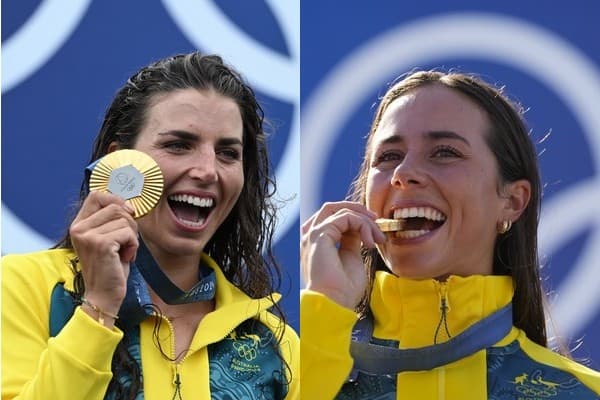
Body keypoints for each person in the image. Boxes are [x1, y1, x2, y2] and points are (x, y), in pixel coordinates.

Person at [2, 52, 298, 399]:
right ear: (119, 162)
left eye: (227, 153)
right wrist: (98, 308)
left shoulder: (274, 342)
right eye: (178, 145)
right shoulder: (24, 288)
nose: (207, 170)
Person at [300, 70, 600, 398]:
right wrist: (327, 309)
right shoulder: (284, 376)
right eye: (388, 157)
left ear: (512, 201)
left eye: (444, 152)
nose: (403, 173)